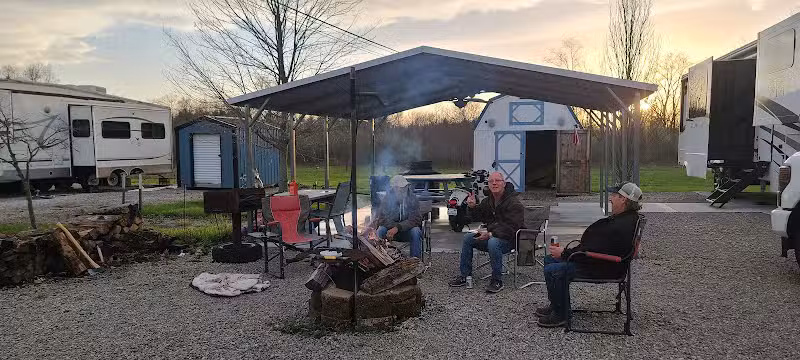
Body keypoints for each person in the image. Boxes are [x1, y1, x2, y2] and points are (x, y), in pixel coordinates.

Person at [536, 182, 643, 328]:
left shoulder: (621, 226)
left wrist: (566, 253)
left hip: (603, 267)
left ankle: (562, 315)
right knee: (549, 259)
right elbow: (595, 247)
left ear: (623, 199)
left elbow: (592, 251)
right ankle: (556, 305)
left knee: (553, 270)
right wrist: (568, 253)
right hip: (600, 262)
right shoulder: (625, 218)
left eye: (614, 196)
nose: (610, 199)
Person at [448, 172, 524, 293]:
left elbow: (511, 228)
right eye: (491, 181)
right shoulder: (488, 201)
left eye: (497, 180)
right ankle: (465, 275)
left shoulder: (514, 203)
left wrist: (490, 233)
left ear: (504, 183)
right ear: (488, 184)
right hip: (491, 236)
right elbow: (478, 216)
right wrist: (472, 207)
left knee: (493, 242)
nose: (494, 183)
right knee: (468, 238)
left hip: (510, 241)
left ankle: (497, 280)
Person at [371, 175, 423, 258]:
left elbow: (415, 219)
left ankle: (415, 259)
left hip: (407, 232)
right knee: (380, 230)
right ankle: (379, 258)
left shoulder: (412, 199)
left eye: (406, 187)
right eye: (401, 188)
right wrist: (393, 228)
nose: (404, 190)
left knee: (416, 231)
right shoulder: (387, 199)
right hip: (390, 232)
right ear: (394, 188)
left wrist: (398, 227)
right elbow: (382, 218)